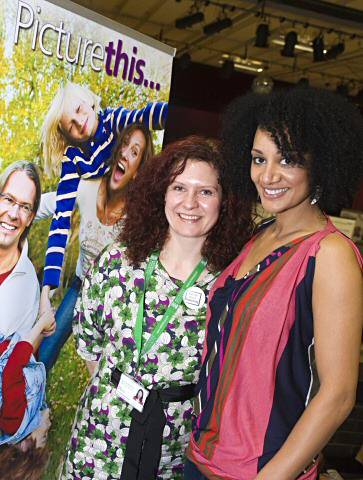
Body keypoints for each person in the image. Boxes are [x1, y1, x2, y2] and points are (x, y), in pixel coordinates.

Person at [185, 87, 363, 480]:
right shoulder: (260, 234)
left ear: (321, 163)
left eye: (288, 161)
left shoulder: (330, 255)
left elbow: (338, 395)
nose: (268, 176)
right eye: (258, 159)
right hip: (201, 458)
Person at [61, 137, 251, 479]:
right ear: (161, 192)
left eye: (206, 192)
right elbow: (89, 343)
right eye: (179, 187)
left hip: (171, 455)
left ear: (224, 201)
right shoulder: (118, 262)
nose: (190, 202)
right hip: (97, 444)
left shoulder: (229, 287)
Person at [40, 82, 168, 315]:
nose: (80, 123)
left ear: (89, 101)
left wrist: (169, 114)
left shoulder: (113, 120)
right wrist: (47, 290)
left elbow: (144, 116)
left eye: (79, 110)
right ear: (66, 134)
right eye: (71, 125)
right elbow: (61, 219)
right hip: (84, 271)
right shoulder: (73, 158)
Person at [37, 123, 154, 371]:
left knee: (102, 376)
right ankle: (30, 404)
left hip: (110, 304)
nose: (125, 153)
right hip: (79, 286)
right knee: (44, 351)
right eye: (124, 144)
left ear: (136, 171)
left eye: (135, 152)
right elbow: (47, 204)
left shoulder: (137, 216)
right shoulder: (86, 187)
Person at [0, 310, 54, 479]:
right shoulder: (21, 421)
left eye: (44, 436)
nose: (48, 427)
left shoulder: (14, 424)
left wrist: (41, 324)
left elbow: (12, 371)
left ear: (24, 446)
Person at [0, 161, 44, 337]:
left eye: (25, 207)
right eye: (9, 200)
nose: (13, 214)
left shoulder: (28, 286)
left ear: (30, 218)